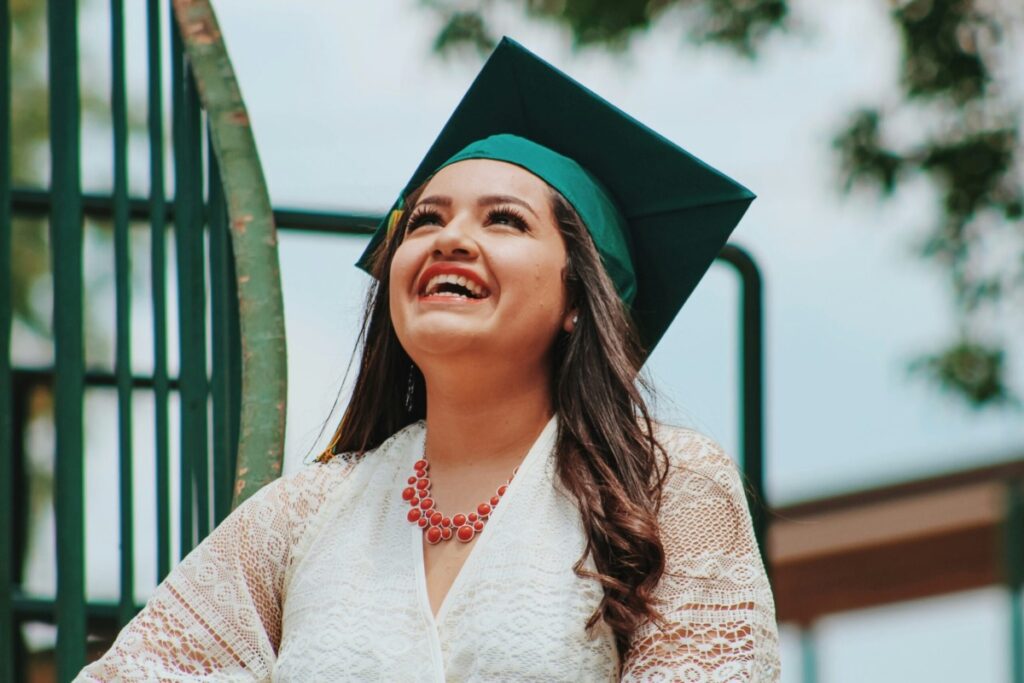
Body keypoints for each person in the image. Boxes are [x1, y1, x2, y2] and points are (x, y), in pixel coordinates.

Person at [78, 38, 779, 681]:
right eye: (425, 219)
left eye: (503, 219)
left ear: (579, 297)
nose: (451, 239)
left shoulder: (665, 489)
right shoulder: (304, 514)